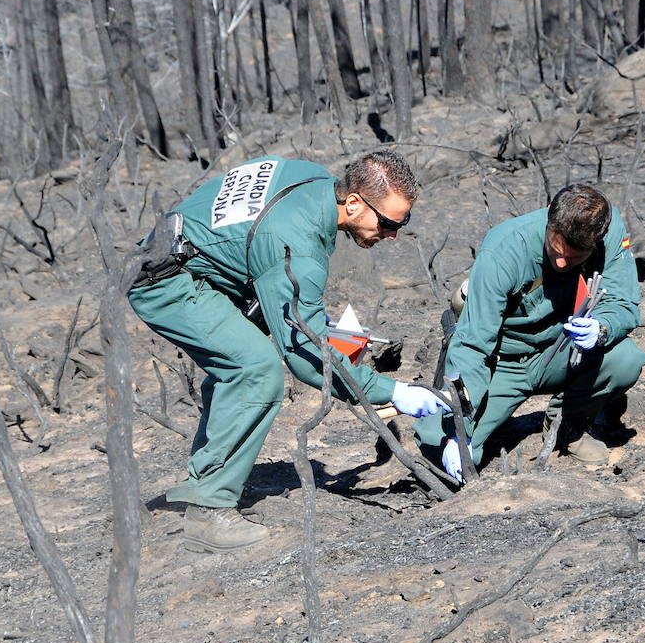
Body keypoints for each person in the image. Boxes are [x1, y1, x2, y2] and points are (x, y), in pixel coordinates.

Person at [128, 151, 447, 552]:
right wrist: (395, 392)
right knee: (255, 370)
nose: (393, 234)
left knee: (241, 362)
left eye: (403, 223)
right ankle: (208, 511)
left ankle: (208, 479)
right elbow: (305, 357)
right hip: (165, 280)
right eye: (388, 223)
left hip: (191, 258)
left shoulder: (310, 177)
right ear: (353, 203)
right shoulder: (296, 246)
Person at [414, 184, 645, 479]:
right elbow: (474, 344)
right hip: (500, 363)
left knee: (625, 359)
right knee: (440, 444)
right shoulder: (505, 248)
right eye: (556, 250)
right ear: (550, 223)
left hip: (560, 350)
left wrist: (601, 328)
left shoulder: (609, 230)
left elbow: (623, 303)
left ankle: (568, 425)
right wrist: (459, 429)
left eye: (575, 259)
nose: (562, 264)